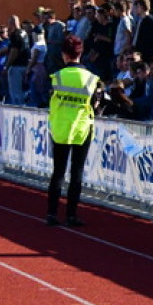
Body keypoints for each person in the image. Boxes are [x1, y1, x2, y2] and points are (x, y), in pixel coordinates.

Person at [46, 36, 100, 227]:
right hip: (82, 128)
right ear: (80, 53)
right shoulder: (92, 79)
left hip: (60, 128)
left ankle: (52, 214)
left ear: (64, 54)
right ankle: (71, 215)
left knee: (58, 172)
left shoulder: (57, 76)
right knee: (76, 173)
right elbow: (96, 104)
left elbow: (50, 98)